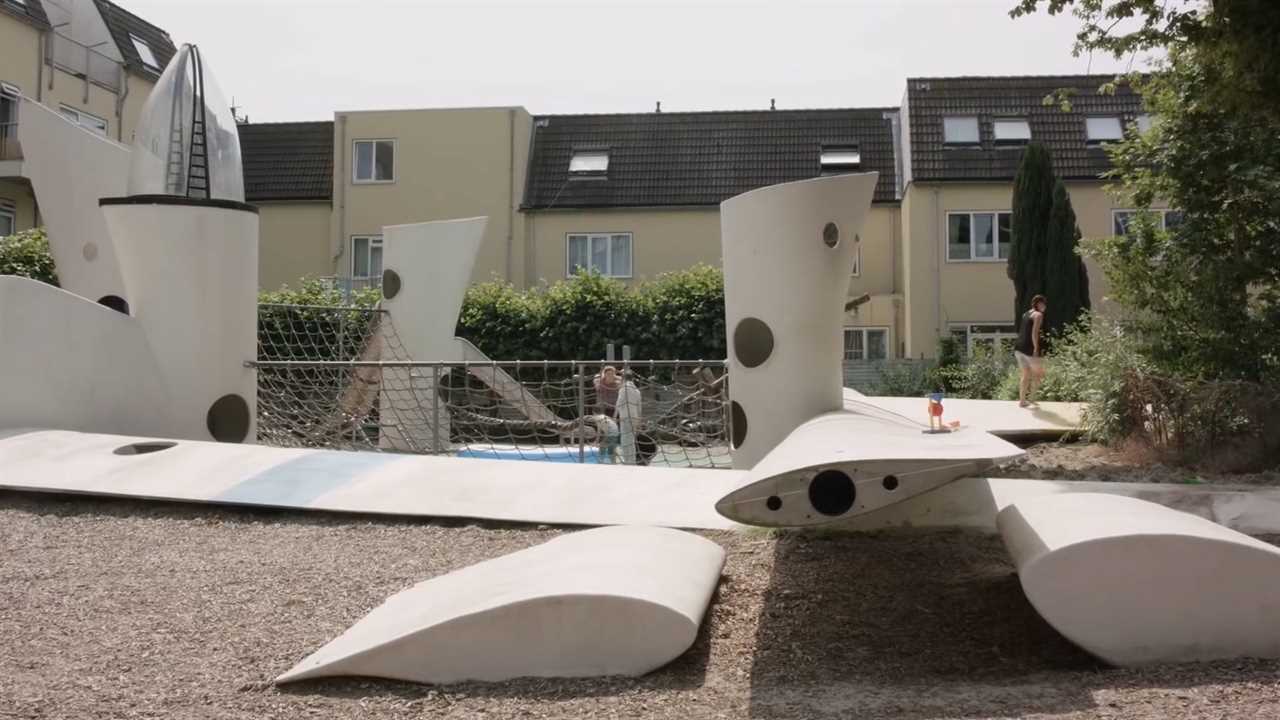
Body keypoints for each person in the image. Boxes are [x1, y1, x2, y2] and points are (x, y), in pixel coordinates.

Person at [1015, 294, 1047, 408]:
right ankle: (1032, 399)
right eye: (1044, 304)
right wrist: (1036, 348)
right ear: (1039, 304)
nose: (1045, 306)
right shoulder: (1038, 315)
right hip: (1029, 348)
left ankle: (1022, 401)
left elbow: (1023, 330)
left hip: (1019, 348)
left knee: (1025, 374)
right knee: (1038, 374)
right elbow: (1034, 333)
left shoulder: (1025, 314)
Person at [615, 371, 643, 464]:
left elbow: (619, 402)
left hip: (625, 416)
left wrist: (615, 416)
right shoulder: (636, 390)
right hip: (634, 416)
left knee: (625, 439)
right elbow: (639, 406)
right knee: (631, 439)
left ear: (623, 379)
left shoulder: (624, 388)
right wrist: (639, 419)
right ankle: (632, 460)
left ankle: (627, 460)